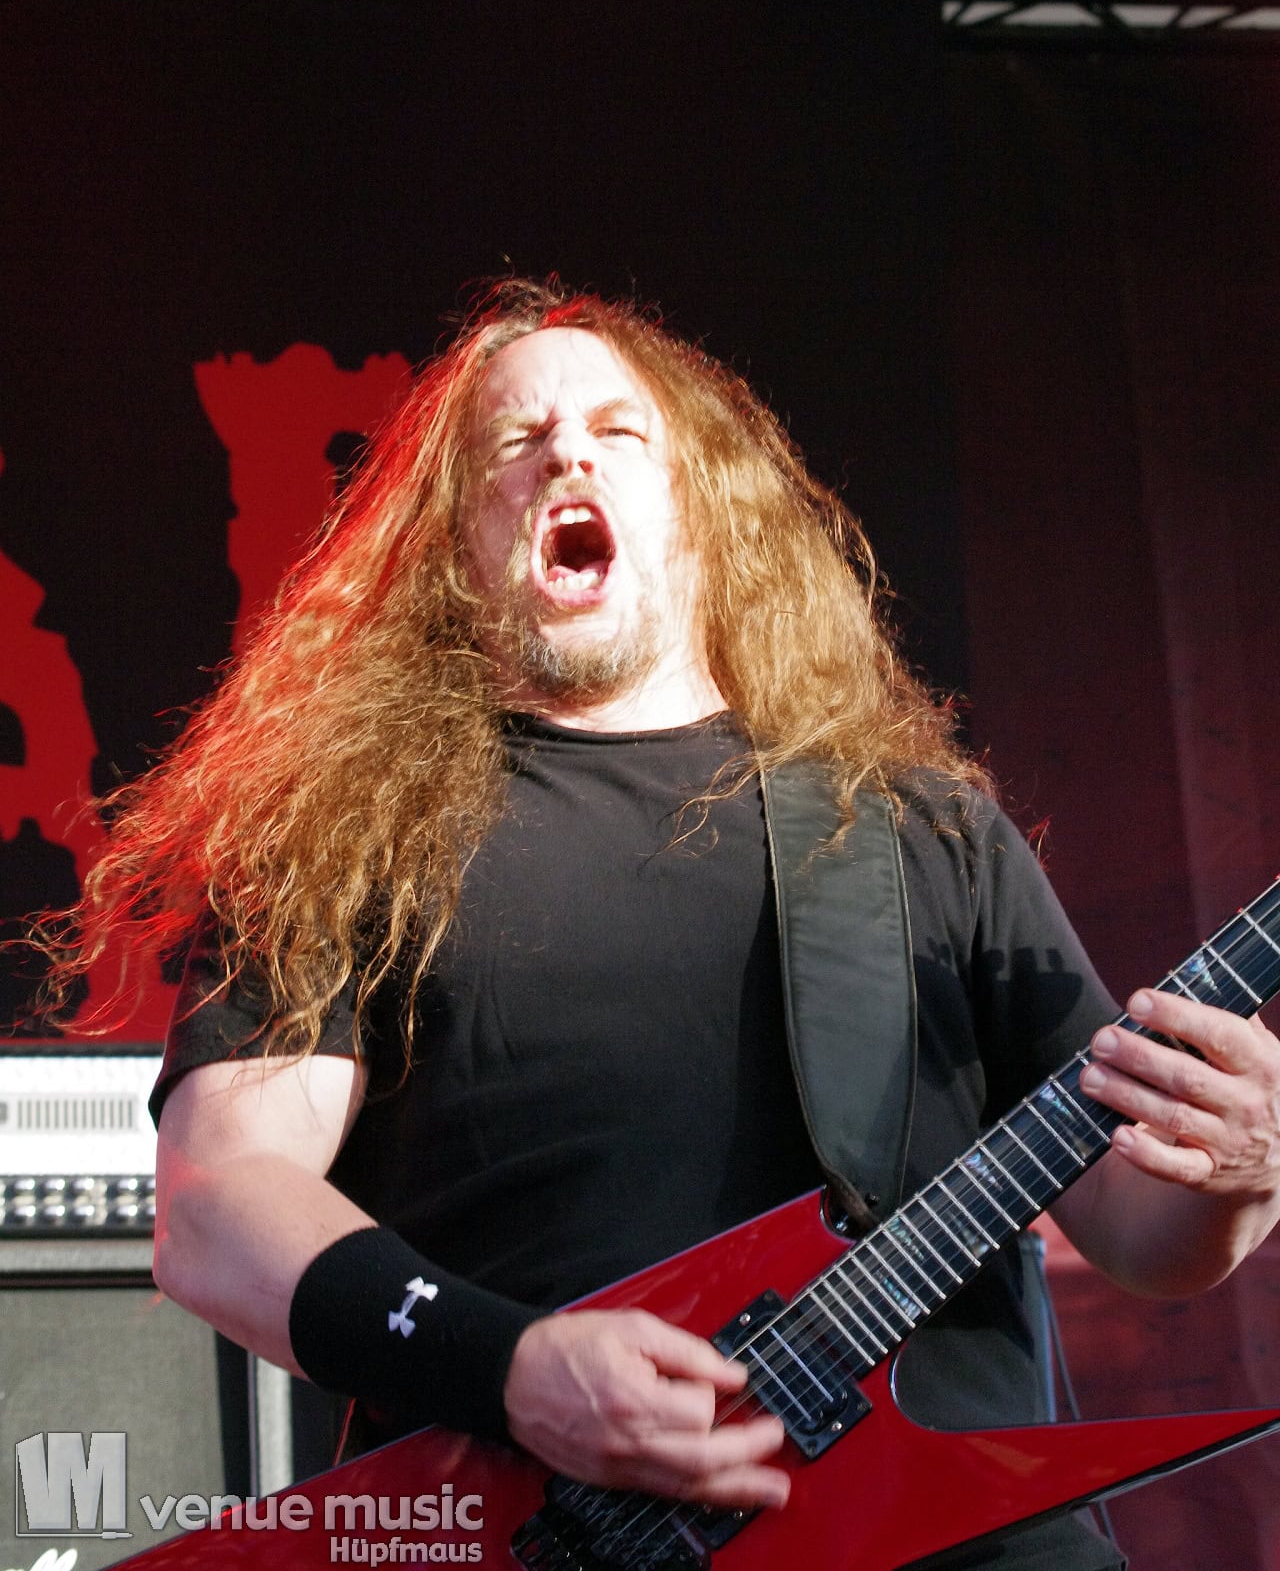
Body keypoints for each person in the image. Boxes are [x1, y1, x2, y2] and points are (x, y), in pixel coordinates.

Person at [70, 282, 1280, 1570]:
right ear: (454, 548)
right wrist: (509, 1368)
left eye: (617, 431)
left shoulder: (920, 830)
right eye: (513, 442)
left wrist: (1244, 1172)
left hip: (955, 1537)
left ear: (709, 511)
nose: (566, 456)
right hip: (543, 1531)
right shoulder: (344, 838)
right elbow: (219, 1205)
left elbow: (1145, 1239)